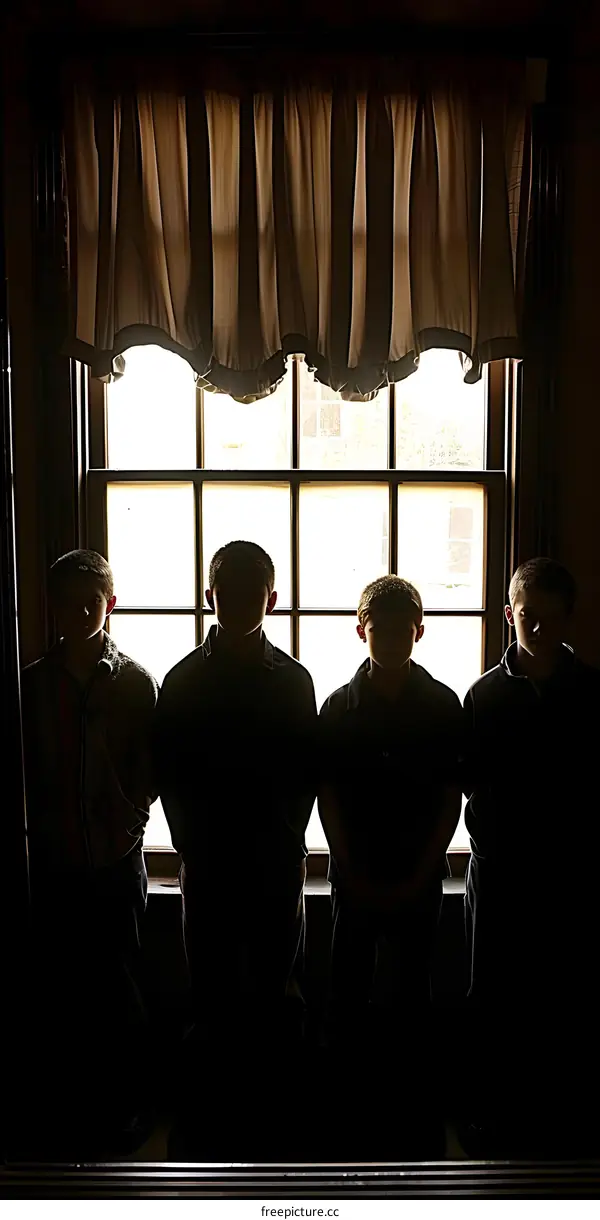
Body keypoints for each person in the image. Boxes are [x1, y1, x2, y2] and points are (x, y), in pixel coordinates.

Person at [154, 540, 318, 1058]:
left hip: (273, 857)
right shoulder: (181, 681)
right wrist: (190, 846)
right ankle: (215, 1113)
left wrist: (289, 841)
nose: (243, 605)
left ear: (272, 600)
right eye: (231, 595)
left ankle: (270, 1111)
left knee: (277, 987)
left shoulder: (294, 681)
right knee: (211, 990)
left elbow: (305, 773)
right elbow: (169, 774)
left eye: (255, 595)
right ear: (210, 597)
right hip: (209, 862)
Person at [317, 575, 463, 1152]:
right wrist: (349, 867)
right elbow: (326, 798)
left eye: (405, 630)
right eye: (383, 630)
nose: (394, 640)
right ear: (361, 632)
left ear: (420, 632)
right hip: (357, 874)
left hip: (417, 873)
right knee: (347, 996)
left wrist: (425, 868)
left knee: (413, 997)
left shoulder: (442, 706)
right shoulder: (338, 708)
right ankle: (350, 1111)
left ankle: (409, 1114)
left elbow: (450, 799)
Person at [19, 549, 158, 1152]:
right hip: (50, 861)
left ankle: (124, 1105)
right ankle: (67, 1107)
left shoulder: (132, 681)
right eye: (67, 601)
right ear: (49, 606)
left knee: (119, 986)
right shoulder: (31, 683)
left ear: (111, 603)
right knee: (59, 988)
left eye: (90, 601)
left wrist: (127, 817)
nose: (78, 612)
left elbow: (151, 767)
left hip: (114, 860)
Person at [463, 557, 600, 1154]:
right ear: (509, 613)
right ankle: (494, 1113)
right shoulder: (485, 695)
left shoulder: (593, 694)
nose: (538, 631)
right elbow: (469, 780)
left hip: (572, 873)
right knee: (494, 994)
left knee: (564, 993)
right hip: (501, 869)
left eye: (549, 619)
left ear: (568, 617)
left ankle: (558, 1114)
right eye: (527, 618)